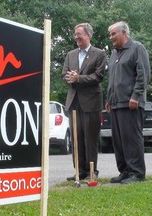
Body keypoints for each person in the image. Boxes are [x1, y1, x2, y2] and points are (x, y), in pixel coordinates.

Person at [106, 21, 150, 184]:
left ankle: (137, 173)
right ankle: (125, 171)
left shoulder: (137, 48)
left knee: (132, 139)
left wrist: (136, 96)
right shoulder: (114, 53)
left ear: (124, 33)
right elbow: (112, 79)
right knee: (118, 140)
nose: (111, 37)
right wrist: (109, 98)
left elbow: (143, 74)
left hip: (131, 102)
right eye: (110, 34)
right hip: (116, 103)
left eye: (113, 34)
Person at [62, 23, 107, 180]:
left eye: (79, 34)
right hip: (74, 102)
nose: (76, 37)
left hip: (91, 102)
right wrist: (70, 77)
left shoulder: (100, 53)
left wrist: (78, 78)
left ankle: (91, 171)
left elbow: (99, 76)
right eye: (75, 34)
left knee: (90, 137)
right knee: (76, 137)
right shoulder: (70, 54)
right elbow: (64, 75)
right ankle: (79, 171)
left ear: (88, 35)